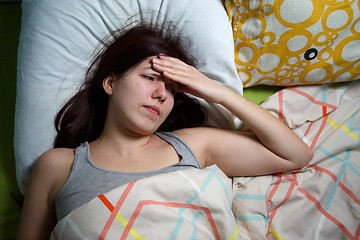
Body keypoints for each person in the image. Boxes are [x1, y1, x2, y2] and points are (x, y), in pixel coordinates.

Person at [16, 23, 313, 239]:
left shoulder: (192, 144)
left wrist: (216, 92)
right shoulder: (58, 166)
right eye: (149, 77)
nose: (161, 94)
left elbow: (295, 154)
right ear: (110, 83)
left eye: (172, 89)